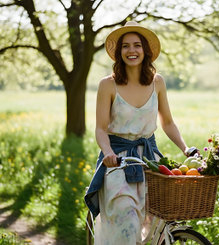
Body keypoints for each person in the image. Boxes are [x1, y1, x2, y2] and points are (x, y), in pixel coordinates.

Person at [84, 21, 197, 245]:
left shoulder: (158, 83)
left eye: (137, 45)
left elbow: (168, 123)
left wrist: (185, 149)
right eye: (125, 46)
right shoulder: (108, 85)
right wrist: (107, 153)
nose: (131, 51)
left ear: (145, 50)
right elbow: (100, 128)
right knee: (127, 220)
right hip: (118, 161)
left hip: (149, 160)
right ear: (119, 52)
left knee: (157, 222)